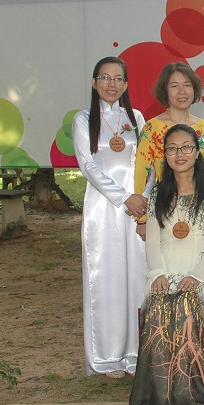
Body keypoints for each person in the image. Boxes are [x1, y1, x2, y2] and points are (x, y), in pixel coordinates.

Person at [127, 125, 204, 405]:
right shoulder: (158, 193)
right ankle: (150, 400)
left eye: (186, 147)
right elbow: (154, 241)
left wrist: (197, 275)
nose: (179, 154)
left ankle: (198, 400)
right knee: (159, 303)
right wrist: (158, 273)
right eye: (172, 148)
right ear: (165, 155)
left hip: (203, 273)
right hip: (165, 271)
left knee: (185, 302)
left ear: (197, 153)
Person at [72, 56, 147, 377]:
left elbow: (148, 162)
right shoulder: (83, 119)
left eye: (118, 78)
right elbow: (87, 165)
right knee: (106, 278)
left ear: (126, 84)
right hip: (103, 209)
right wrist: (123, 197)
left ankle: (137, 354)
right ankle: (107, 357)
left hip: (137, 209)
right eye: (105, 77)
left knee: (137, 277)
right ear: (94, 82)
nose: (111, 84)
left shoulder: (136, 118)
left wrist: (143, 198)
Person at [133, 62, 204, 240]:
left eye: (187, 85)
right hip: (165, 207)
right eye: (174, 86)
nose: (182, 91)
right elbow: (141, 173)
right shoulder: (152, 128)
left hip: (199, 208)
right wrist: (142, 218)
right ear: (165, 91)